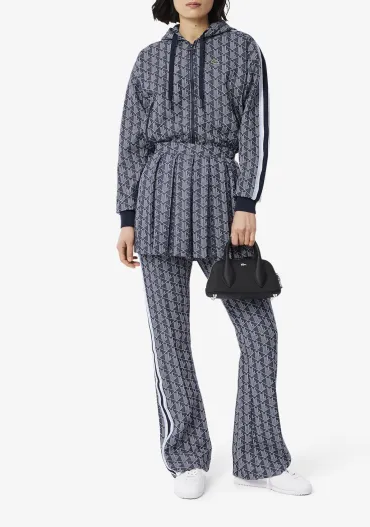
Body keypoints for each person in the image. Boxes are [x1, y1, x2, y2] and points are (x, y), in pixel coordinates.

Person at [116, 0, 312, 499]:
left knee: (259, 332)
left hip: (219, 199)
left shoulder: (244, 49)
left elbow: (255, 131)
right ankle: (185, 457)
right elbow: (131, 142)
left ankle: (259, 457)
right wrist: (127, 217)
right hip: (157, 199)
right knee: (169, 337)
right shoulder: (148, 59)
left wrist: (246, 202)